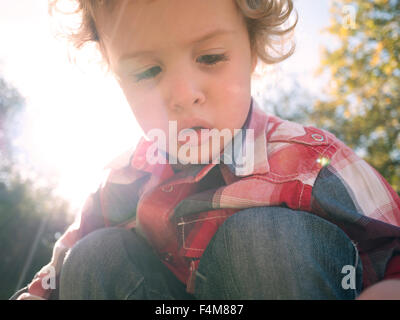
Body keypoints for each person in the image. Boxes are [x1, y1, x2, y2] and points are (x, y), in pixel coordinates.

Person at [12, 0, 400, 300]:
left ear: (253, 49)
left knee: (263, 240)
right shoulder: (124, 180)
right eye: (147, 71)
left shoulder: (306, 160)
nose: (182, 95)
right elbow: (56, 274)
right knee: (95, 253)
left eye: (210, 57)